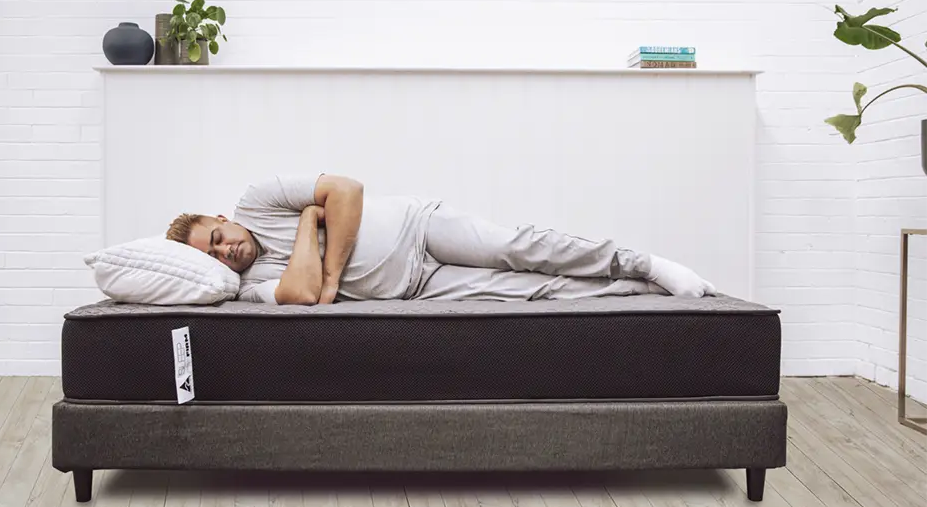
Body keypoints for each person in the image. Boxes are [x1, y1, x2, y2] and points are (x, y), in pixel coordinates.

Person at [165, 173, 716, 305]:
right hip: (418, 287)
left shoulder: (256, 201)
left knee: (520, 247)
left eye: (216, 237)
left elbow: (348, 190)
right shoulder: (243, 286)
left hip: (419, 226)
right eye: (213, 255)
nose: (223, 251)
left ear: (222, 217)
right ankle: (643, 291)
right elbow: (303, 298)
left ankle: (643, 261)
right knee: (526, 291)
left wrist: (331, 274)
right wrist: (310, 220)